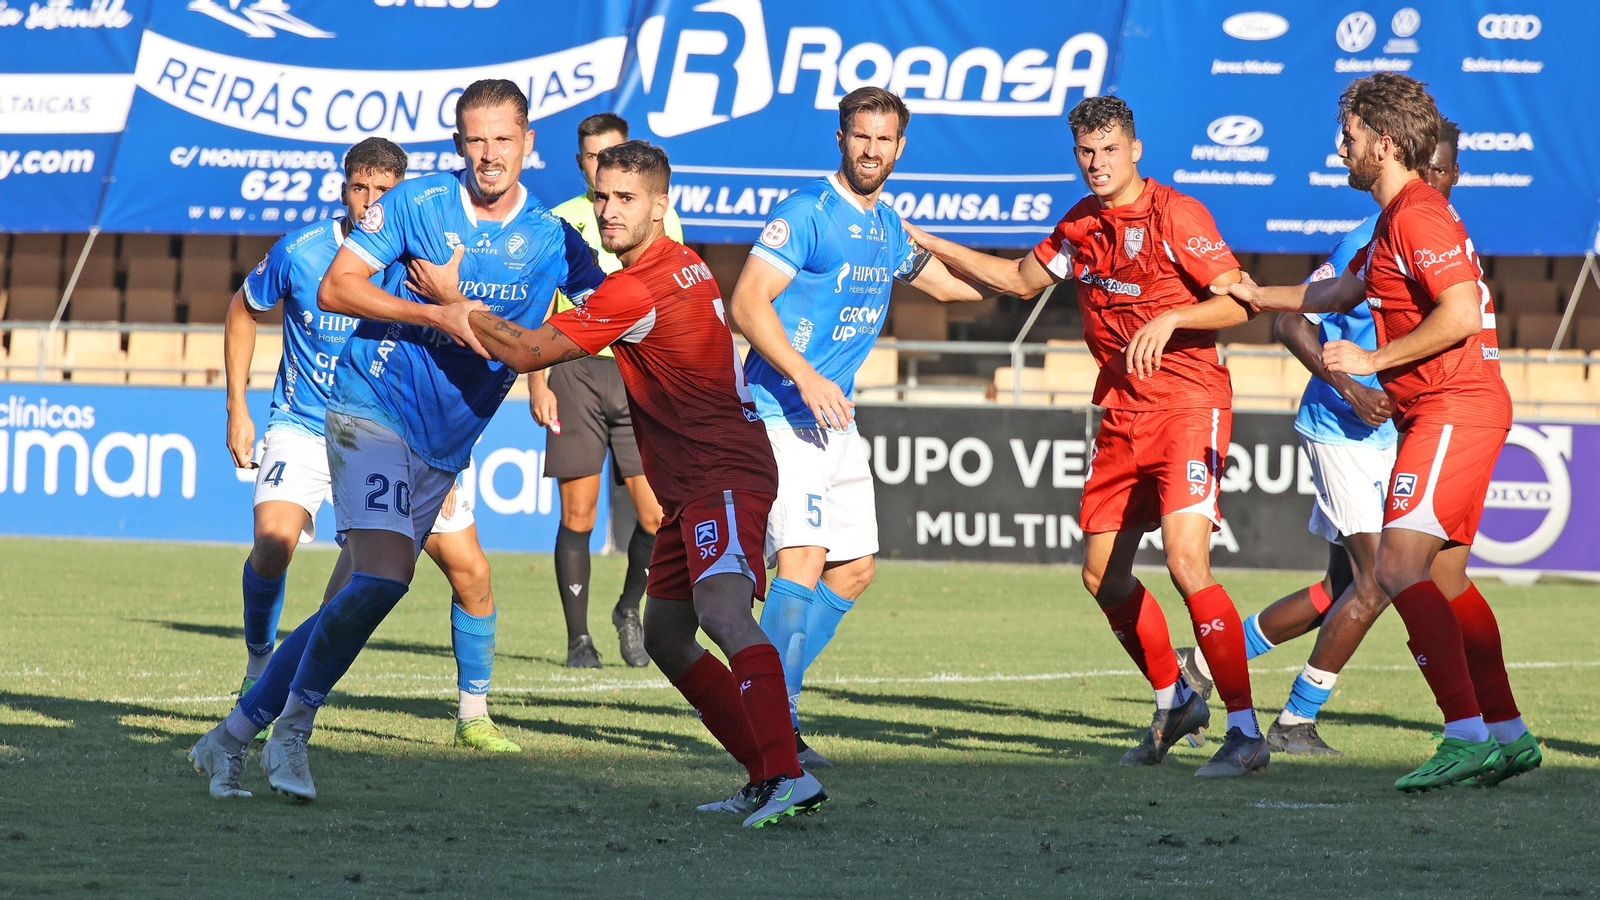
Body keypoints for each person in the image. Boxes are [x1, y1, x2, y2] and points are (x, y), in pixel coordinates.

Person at [189, 80, 605, 801]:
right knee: (383, 576)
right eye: (474, 140)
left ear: (528, 145)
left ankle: (227, 739)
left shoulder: (551, 240)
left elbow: (601, 317)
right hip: (370, 406)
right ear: (457, 146)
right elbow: (338, 289)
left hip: (447, 441)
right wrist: (438, 314)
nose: (488, 155)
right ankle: (291, 734)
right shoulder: (416, 204)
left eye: (502, 139)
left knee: (351, 596)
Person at [440, 139, 826, 828]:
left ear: (660, 205)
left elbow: (527, 351)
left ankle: (789, 773)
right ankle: (767, 775)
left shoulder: (636, 286)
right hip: (692, 483)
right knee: (669, 636)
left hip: (721, 474)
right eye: (601, 197)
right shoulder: (686, 265)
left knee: (725, 615)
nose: (609, 211)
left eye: (626, 199)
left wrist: (457, 304)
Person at [903, 95, 1269, 777]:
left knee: (1189, 566)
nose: (1096, 163)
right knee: (1102, 576)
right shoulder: (1079, 224)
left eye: (1108, 150)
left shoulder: (1176, 214)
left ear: (1135, 150)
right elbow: (1016, 281)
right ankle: (1176, 700)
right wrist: (927, 241)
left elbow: (1239, 300)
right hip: (1122, 411)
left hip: (1188, 404)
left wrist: (1174, 320)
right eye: (1085, 152)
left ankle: (1246, 733)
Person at [1217, 74, 1539, 791]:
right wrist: (1254, 293)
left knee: (1393, 571)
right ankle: (1509, 734)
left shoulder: (1418, 216)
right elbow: (1335, 293)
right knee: (1446, 580)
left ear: (1385, 142)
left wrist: (1372, 358)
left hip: (1453, 408)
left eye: (1351, 137)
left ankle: (1464, 734)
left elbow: (1456, 315)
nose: (1341, 150)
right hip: (1448, 411)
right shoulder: (1396, 218)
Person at [219, 137, 515, 756]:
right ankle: (258, 662)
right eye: (360, 188)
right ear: (343, 186)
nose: (370, 201)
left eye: (384, 191)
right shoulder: (301, 251)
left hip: (396, 434)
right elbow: (242, 310)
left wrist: (441, 449)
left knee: (470, 573)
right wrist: (237, 408)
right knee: (273, 547)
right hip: (305, 424)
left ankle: (474, 713)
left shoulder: (421, 259)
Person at [1177, 118, 1462, 757]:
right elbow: (1290, 320)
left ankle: (1199, 661)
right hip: (1342, 428)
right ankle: (1295, 721)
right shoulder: (1369, 236)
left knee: (1339, 588)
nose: (1437, 181)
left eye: (1447, 170)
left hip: (1393, 434)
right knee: (1378, 581)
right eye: (1430, 168)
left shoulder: (1439, 236)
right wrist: (1352, 384)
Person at [729, 87, 986, 769]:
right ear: (840, 138)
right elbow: (746, 303)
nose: (871, 150)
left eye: (884, 140)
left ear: (901, 148)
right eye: (860, 136)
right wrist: (806, 375)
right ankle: (773, 722)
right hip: (784, 409)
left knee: (855, 571)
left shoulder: (887, 225)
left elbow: (965, 292)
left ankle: (758, 693)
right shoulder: (807, 212)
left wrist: (920, 236)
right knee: (803, 564)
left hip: (834, 420)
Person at [538, 112, 677, 668]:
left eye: (613, 155)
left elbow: (668, 297)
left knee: (655, 516)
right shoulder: (563, 220)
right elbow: (540, 306)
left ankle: (628, 609)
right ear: (581, 164)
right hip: (575, 371)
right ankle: (578, 641)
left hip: (637, 372)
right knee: (580, 513)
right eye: (593, 158)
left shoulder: (660, 219)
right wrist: (537, 382)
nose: (603, 167)